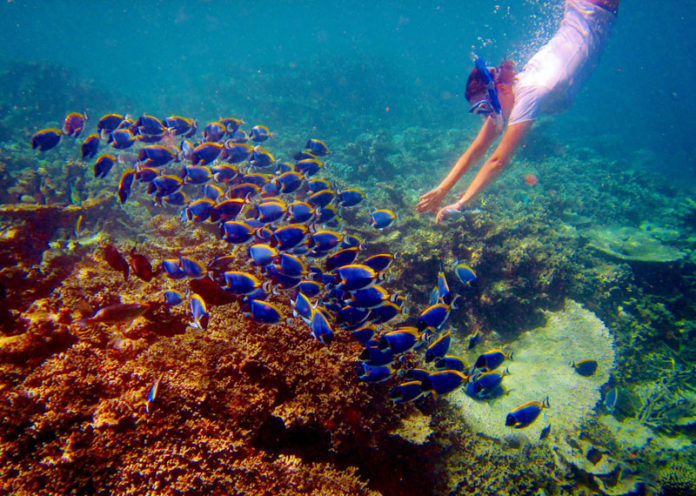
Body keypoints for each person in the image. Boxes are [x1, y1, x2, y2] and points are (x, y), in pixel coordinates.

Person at [416, 0, 620, 223]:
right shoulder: (511, 90)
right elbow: (478, 147)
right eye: (482, 111)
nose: (488, 116)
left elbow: (498, 160)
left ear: (499, 89)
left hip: (595, 9)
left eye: (487, 107)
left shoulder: (530, 92)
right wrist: (442, 189)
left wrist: (461, 203)